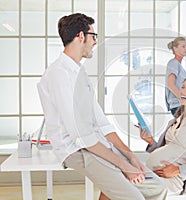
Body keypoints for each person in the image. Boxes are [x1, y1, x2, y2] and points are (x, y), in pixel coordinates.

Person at [37, 13, 167, 200]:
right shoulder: (59, 74)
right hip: (76, 150)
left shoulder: (78, 72)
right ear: (81, 36)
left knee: (157, 188)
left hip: (96, 144)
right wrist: (124, 166)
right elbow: (81, 136)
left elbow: (101, 122)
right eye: (93, 36)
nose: (95, 42)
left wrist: (130, 156)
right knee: (134, 196)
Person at [165, 37, 186, 116]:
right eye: (183, 46)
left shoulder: (178, 64)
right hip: (177, 106)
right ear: (175, 49)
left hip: (179, 105)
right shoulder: (173, 63)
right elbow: (170, 84)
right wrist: (183, 98)